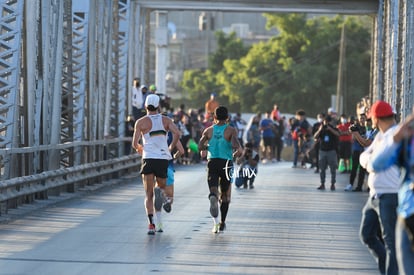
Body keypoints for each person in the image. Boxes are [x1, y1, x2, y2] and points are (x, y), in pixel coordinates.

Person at [367, 107, 414, 275]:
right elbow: (375, 163)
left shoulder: (406, 140)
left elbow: (376, 164)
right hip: (407, 211)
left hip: (406, 207)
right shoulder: (405, 139)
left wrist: (396, 139)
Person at [358, 100, 399, 275]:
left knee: (390, 243)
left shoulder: (394, 136)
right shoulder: (381, 135)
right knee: (367, 234)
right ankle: (386, 268)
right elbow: (364, 156)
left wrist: (369, 161)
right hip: (375, 196)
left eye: (371, 119)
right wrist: (369, 160)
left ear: (376, 118)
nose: (370, 122)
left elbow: (375, 163)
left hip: (389, 195)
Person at [131, 94, 181, 235]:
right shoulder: (166, 120)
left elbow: (135, 144)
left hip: (148, 158)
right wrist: (170, 147)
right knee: (161, 188)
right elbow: (177, 133)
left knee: (148, 194)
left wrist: (141, 149)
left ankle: (151, 224)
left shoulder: (140, 122)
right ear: (159, 106)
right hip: (162, 158)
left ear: (145, 106)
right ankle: (160, 223)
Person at [198, 106, 243, 233]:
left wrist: (208, 146)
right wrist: (235, 152)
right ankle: (222, 222)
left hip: (212, 162)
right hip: (226, 163)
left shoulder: (208, 130)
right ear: (227, 117)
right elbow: (236, 145)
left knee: (213, 189)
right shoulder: (231, 130)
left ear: (214, 117)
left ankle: (213, 198)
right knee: (225, 195)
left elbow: (200, 145)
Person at [155, 131, 185, 233]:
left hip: (153, 164)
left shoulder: (153, 130)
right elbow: (181, 151)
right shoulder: (172, 134)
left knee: (157, 190)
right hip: (167, 165)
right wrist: (174, 156)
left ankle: (158, 223)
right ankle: (165, 198)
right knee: (170, 198)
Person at [314, 115, 340, 191]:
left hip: (331, 151)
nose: (326, 123)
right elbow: (315, 137)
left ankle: (333, 184)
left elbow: (338, 134)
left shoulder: (333, 128)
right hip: (322, 151)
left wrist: (330, 129)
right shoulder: (321, 129)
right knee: (322, 169)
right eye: (325, 122)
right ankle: (322, 183)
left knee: (333, 169)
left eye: (328, 122)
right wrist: (319, 130)